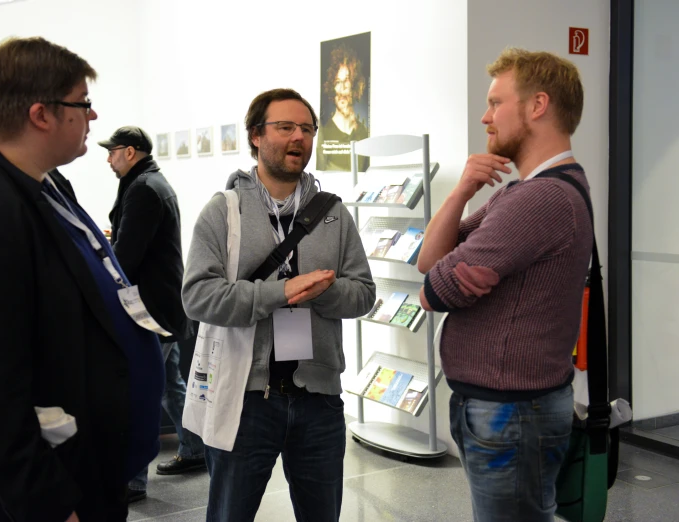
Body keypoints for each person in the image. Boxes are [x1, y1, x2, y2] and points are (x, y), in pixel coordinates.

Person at [0, 37, 165, 522]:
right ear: (41, 115)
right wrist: (49, 504)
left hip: (80, 464)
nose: (93, 116)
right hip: (30, 495)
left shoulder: (40, 184)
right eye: (83, 103)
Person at [182, 88, 376, 522]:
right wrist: (281, 293)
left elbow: (364, 293)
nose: (299, 138)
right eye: (285, 127)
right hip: (245, 399)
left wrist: (321, 291)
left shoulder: (333, 214)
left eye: (307, 129)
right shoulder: (223, 212)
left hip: (319, 400)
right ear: (255, 135)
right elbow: (197, 296)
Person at [417, 48, 593, 521]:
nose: (485, 116)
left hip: (513, 414)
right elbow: (428, 261)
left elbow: (435, 291)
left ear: (537, 106)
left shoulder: (540, 200)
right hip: (507, 410)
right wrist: (460, 191)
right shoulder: (521, 193)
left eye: (497, 103)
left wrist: (449, 268)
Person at [99, 126, 205, 503]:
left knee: (138, 391)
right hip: (165, 305)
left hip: (148, 309)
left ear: (129, 152)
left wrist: (106, 252)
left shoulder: (143, 188)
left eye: (111, 152)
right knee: (169, 385)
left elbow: (128, 257)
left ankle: (133, 481)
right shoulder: (153, 182)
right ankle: (194, 449)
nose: (107, 159)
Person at [315, 44, 370, 172]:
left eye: (347, 80)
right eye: (337, 82)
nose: (342, 88)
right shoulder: (324, 131)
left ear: (355, 84)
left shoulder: (364, 132)